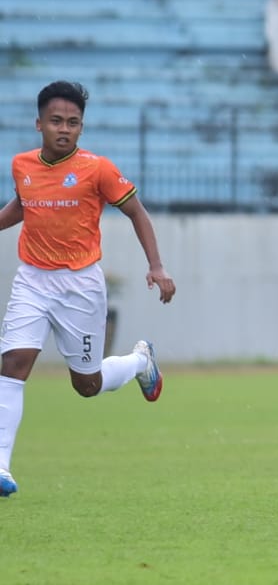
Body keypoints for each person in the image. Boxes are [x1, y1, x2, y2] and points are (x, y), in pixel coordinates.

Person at [0, 80, 176, 498]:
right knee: (13, 363)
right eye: (57, 121)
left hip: (80, 286)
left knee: (88, 385)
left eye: (73, 123)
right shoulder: (22, 165)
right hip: (33, 279)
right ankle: (1, 466)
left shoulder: (98, 169)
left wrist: (156, 265)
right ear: (39, 123)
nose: (65, 129)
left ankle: (139, 361)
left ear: (81, 127)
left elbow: (137, 212)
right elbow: (23, 208)